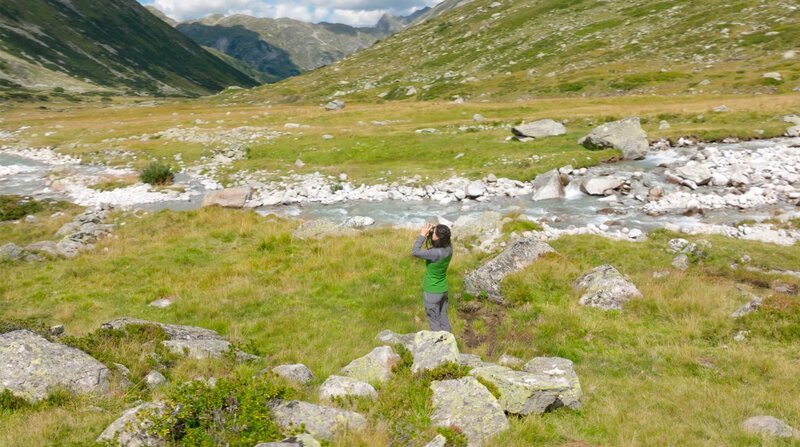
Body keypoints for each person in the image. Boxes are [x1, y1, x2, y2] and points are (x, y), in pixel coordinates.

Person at [412, 222, 453, 332]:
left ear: (438, 237)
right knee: (443, 316)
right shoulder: (449, 248)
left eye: (434, 233)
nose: (432, 234)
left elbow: (415, 252)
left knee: (434, 321)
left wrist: (422, 234)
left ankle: (437, 342)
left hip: (432, 292)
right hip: (443, 290)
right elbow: (441, 239)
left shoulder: (434, 253)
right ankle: (448, 339)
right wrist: (435, 230)